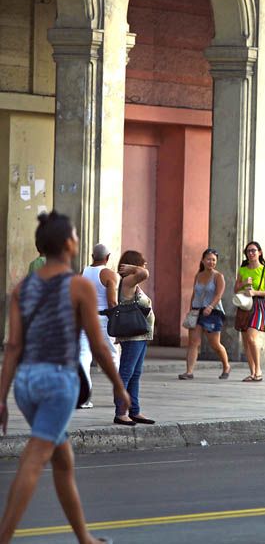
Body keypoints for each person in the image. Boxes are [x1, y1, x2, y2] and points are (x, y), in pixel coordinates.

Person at [0, 211, 128, 543]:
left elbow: (13, 346)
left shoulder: (22, 288)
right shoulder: (78, 286)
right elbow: (99, 346)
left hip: (26, 384)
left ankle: (84, 537)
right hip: (57, 383)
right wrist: (118, 387)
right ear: (69, 244)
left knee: (63, 461)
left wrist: (1, 398)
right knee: (33, 460)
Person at [113, 250, 155, 426]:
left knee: (135, 374)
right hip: (133, 336)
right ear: (133, 264)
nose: (145, 266)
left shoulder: (133, 283)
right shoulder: (128, 281)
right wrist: (135, 268)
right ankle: (121, 412)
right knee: (126, 373)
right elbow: (144, 273)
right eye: (141, 263)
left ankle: (134, 410)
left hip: (141, 336)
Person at [78, 244, 119, 409]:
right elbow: (113, 302)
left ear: (92, 256)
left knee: (83, 355)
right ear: (108, 257)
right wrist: (117, 321)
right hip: (103, 319)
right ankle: (119, 396)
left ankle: (83, 397)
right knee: (112, 356)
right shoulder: (109, 274)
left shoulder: (83, 272)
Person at [179, 249, 230, 380]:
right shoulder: (198, 275)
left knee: (215, 344)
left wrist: (211, 306)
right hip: (197, 311)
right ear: (203, 260)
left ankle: (226, 366)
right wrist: (191, 309)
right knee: (193, 342)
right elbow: (194, 294)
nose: (211, 262)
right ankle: (189, 371)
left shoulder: (218, 276)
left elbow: (219, 295)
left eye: (213, 260)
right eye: (208, 259)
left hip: (213, 312)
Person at [235, 241, 265, 382]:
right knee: (246, 341)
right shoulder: (243, 269)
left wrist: (255, 292)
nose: (251, 253)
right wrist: (244, 284)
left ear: (260, 252)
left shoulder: (264, 270)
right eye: (248, 251)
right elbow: (235, 289)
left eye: (253, 250)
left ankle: (258, 370)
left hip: (258, 305)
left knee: (252, 337)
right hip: (244, 305)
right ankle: (252, 372)